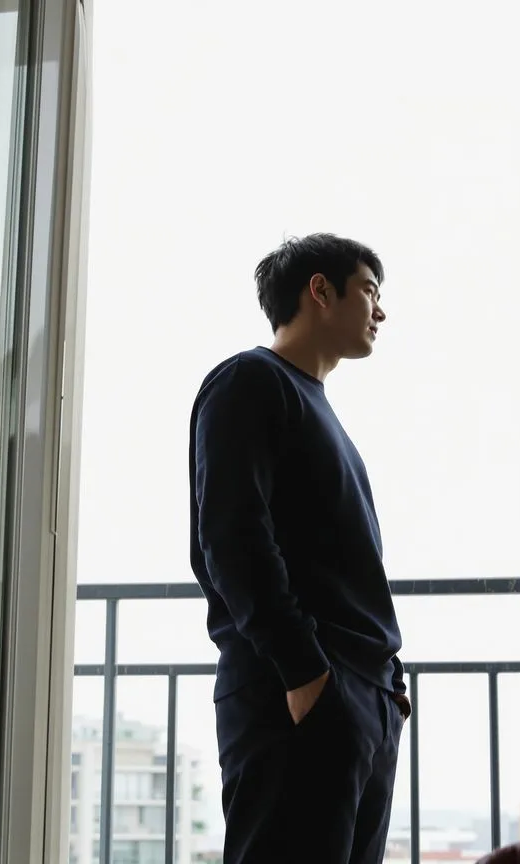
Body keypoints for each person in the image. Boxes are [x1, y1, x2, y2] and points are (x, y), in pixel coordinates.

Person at [188, 233, 410, 864]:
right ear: (320, 289)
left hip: (357, 697)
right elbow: (231, 536)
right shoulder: (250, 381)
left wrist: (385, 692)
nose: (380, 310)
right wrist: (305, 673)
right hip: (300, 693)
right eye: (369, 289)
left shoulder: (321, 410)